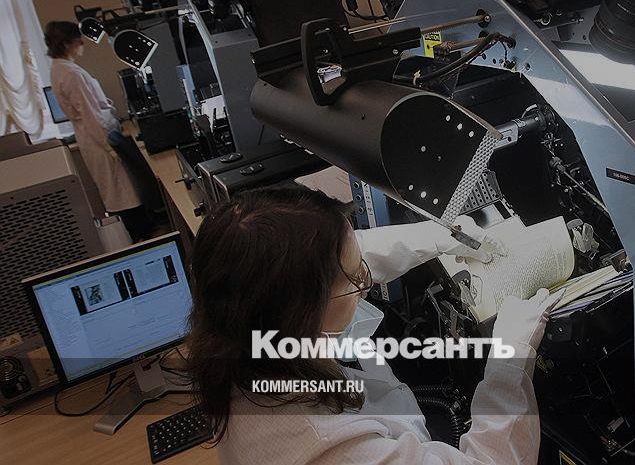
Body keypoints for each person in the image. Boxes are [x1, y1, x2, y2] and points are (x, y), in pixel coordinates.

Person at [187, 187, 562, 465]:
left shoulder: (242, 326)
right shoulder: (327, 446)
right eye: (354, 280)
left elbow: (344, 253)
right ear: (302, 314)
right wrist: (510, 363)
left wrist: (439, 237)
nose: (365, 281)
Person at [44, 21, 157, 241]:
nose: (82, 43)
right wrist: (111, 146)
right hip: (99, 139)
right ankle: (144, 233)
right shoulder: (70, 73)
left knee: (120, 190)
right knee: (122, 191)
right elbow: (90, 114)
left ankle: (143, 231)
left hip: (94, 135)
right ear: (66, 44)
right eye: (78, 40)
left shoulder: (61, 69)